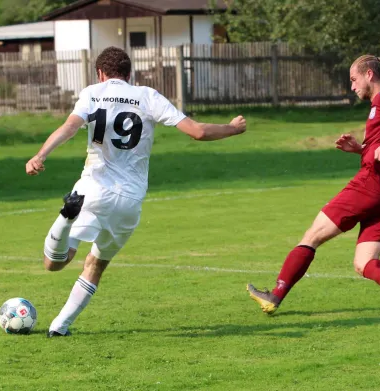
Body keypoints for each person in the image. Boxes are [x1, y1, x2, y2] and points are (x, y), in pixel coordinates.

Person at [25, 47, 246, 337]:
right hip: (129, 200)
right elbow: (198, 132)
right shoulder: (148, 96)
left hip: (91, 190)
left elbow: (69, 128)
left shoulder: (92, 92)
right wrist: (232, 128)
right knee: (96, 264)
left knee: (53, 263)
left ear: (101, 73)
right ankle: (60, 327)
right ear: (130, 75)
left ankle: (65, 219)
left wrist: (41, 155)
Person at [247, 54, 380, 320]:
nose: (352, 86)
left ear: (369, 75)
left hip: (371, 185)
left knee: (312, 236)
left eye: (354, 80)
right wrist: (362, 149)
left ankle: (275, 295)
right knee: (363, 263)